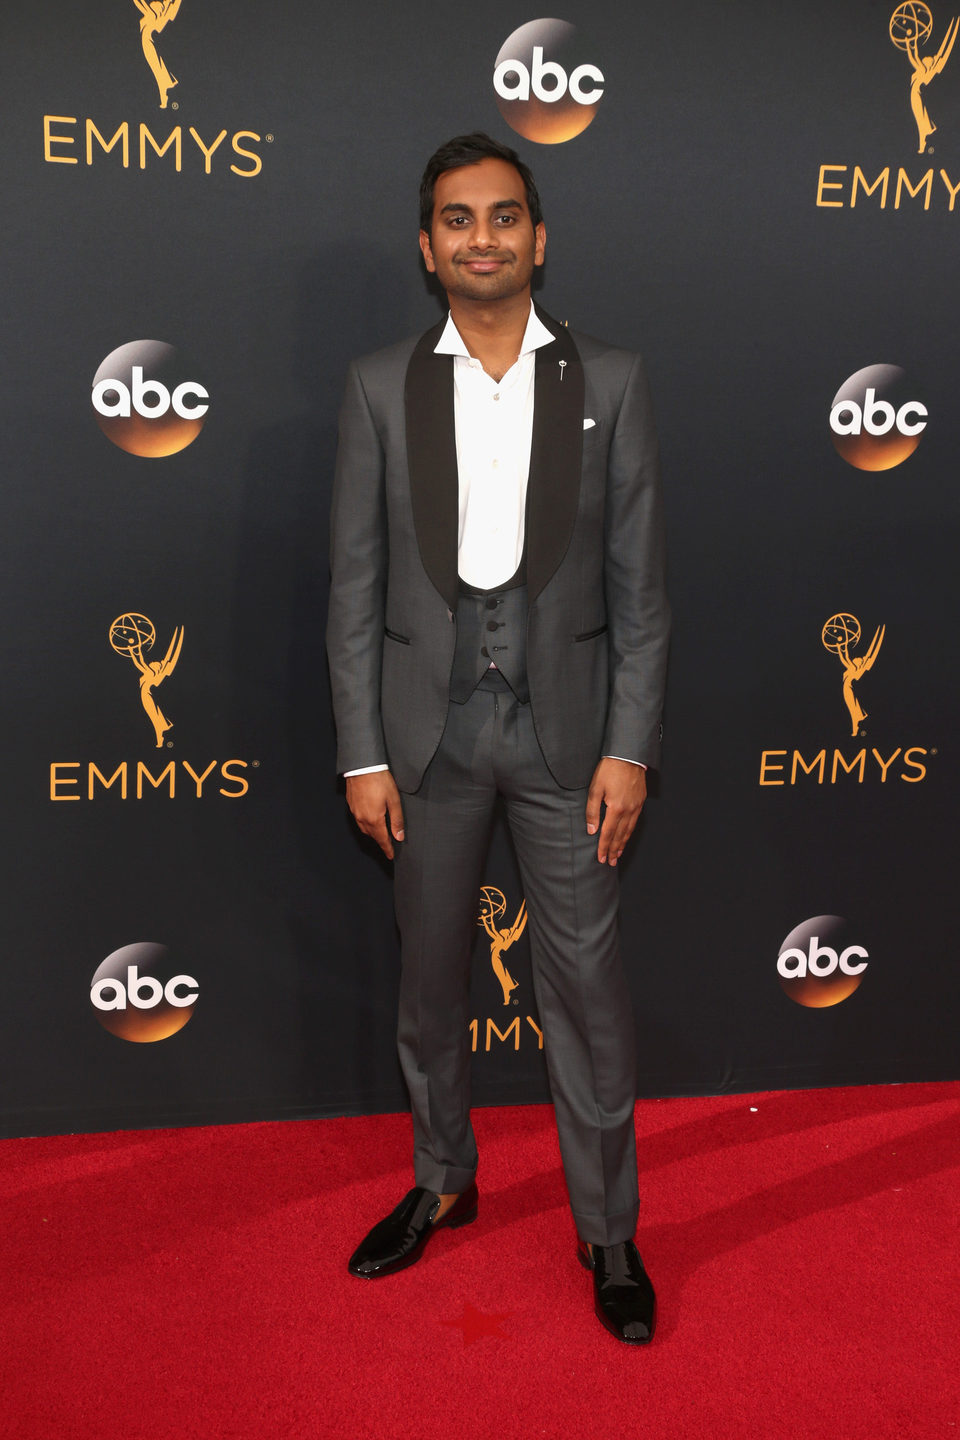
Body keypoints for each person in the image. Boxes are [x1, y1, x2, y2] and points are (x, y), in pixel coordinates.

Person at [326, 133, 670, 1344]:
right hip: (425, 742)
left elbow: (641, 592)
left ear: (539, 237)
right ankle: (441, 1177)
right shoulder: (379, 385)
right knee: (430, 983)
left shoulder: (613, 380)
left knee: (588, 996)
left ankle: (608, 1231)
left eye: (505, 216)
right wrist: (361, 754)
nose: (484, 237)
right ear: (429, 247)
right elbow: (355, 589)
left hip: (570, 745)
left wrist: (631, 745)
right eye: (458, 220)